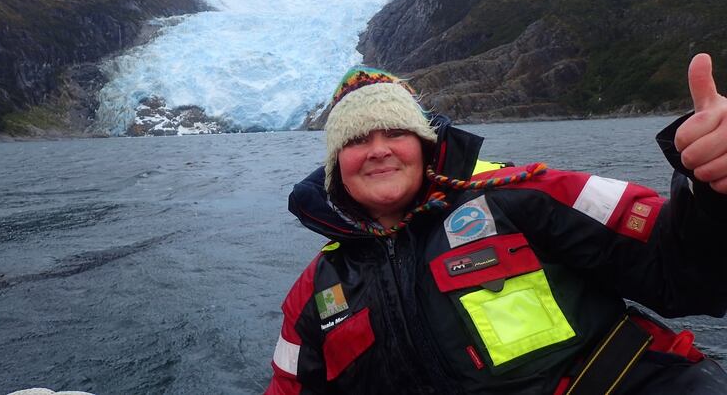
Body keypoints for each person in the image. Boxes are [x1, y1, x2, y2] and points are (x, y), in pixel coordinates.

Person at [266, 54, 727, 394]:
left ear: (425, 144)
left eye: (396, 132)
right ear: (335, 164)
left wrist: (713, 192)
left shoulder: (524, 194)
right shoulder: (313, 293)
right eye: (357, 139)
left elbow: (685, 271)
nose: (378, 149)